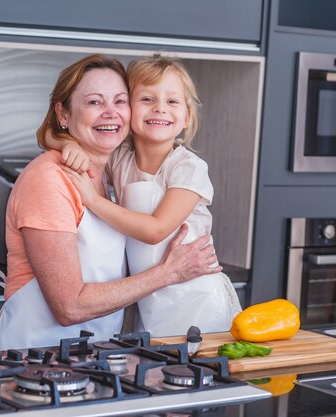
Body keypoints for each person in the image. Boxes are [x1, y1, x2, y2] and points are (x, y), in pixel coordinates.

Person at [0, 54, 221, 351]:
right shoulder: (52, 180)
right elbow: (69, 306)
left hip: (99, 353)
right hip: (31, 358)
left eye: (119, 101)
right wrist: (168, 273)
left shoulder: (108, 174)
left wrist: (68, 145)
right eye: (95, 102)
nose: (110, 113)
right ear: (64, 114)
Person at [50, 53, 242, 337]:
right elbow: (52, 134)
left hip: (196, 299)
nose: (160, 109)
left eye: (172, 101)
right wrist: (68, 145)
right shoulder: (121, 157)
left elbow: (155, 230)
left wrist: (92, 199)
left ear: (187, 116)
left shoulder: (188, 168)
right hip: (149, 297)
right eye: (147, 99)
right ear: (128, 108)